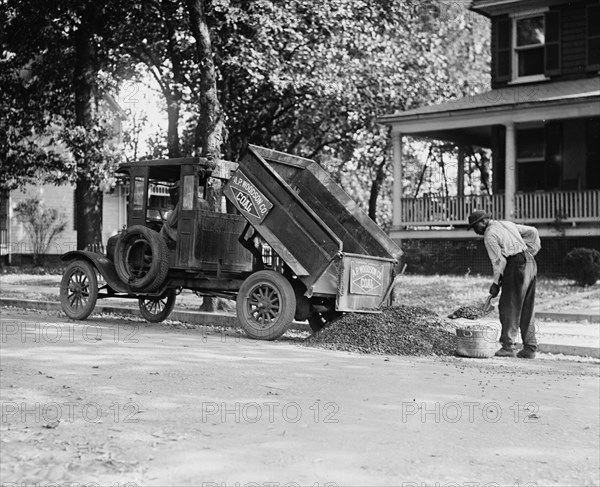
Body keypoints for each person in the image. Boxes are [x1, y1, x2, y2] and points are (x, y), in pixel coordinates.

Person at [467, 210, 541, 359]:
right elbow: (533, 231)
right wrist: (531, 251)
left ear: (484, 221)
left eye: (476, 227)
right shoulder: (507, 224)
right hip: (530, 263)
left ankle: (508, 347)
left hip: (516, 264)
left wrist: (495, 284)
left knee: (509, 306)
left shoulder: (489, 235)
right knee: (527, 306)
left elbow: (499, 261)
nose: (476, 231)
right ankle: (530, 347)